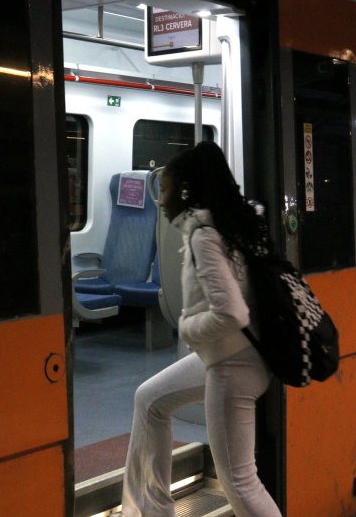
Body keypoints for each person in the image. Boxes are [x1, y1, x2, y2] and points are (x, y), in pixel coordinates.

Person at [122, 141, 281, 517]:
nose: (159, 200)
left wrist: (188, 327)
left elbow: (231, 314)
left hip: (233, 366)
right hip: (240, 355)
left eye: (164, 190)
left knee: (240, 481)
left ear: (186, 192)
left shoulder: (204, 236)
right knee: (150, 399)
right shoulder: (234, 226)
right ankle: (150, 510)